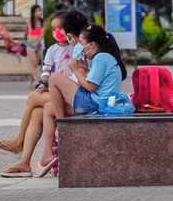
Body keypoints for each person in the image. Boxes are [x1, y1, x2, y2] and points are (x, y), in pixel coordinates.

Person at [0, 11, 88, 177]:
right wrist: (44, 83)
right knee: (38, 112)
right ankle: (24, 163)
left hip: (73, 96)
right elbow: (47, 69)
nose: (56, 32)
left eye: (60, 28)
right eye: (53, 29)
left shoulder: (80, 48)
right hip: (62, 93)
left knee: (32, 98)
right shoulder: (54, 49)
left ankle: (19, 142)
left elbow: (78, 76)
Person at [34, 25, 127, 176]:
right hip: (97, 103)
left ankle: (62, 125)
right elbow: (97, 83)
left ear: (92, 45)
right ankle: (46, 155)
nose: (80, 48)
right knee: (49, 107)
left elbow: (91, 87)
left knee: (55, 77)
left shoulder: (101, 57)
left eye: (82, 44)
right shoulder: (106, 57)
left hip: (94, 104)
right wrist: (86, 69)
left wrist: (76, 70)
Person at [26, 5, 45, 86]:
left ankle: (31, 80)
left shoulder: (42, 22)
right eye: (37, 11)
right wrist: (30, 43)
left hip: (38, 44)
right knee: (34, 62)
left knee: (36, 63)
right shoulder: (29, 22)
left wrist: (37, 42)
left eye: (40, 10)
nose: (39, 12)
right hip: (30, 44)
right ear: (33, 12)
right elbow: (28, 33)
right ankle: (36, 81)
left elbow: (42, 34)